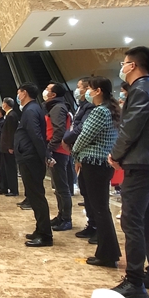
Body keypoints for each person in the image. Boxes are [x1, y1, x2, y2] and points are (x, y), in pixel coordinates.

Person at [108, 46, 149, 298]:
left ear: (132, 65)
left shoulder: (141, 90)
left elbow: (131, 127)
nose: (122, 67)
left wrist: (116, 154)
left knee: (132, 220)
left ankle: (134, 280)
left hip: (142, 162)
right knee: (147, 218)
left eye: (124, 63)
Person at [72, 76, 121, 268]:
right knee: (100, 208)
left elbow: (85, 136)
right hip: (100, 163)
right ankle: (108, 251)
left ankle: (107, 253)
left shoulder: (100, 111)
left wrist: (74, 153)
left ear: (98, 91)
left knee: (99, 209)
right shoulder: (110, 109)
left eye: (89, 89)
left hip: (94, 163)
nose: (86, 92)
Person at [15, 83, 52, 247]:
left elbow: (36, 135)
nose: (18, 95)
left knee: (36, 196)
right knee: (34, 195)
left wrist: (44, 155)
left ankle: (45, 235)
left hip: (31, 158)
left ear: (24, 93)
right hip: (29, 156)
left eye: (19, 92)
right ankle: (40, 229)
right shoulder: (32, 109)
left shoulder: (30, 110)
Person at [65, 77, 95, 237]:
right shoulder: (82, 106)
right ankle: (92, 224)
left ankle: (96, 228)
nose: (77, 90)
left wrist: (67, 139)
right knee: (86, 191)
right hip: (82, 154)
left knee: (94, 195)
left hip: (92, 156)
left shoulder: (93, 108)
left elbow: (83, 130)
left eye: (80, 87)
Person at [43, 82, 73, 231]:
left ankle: (66, 218)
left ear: (53, 94)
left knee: (62, 187)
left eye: (47, 89)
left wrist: (49, 149)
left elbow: (59, 131)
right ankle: (61, 215)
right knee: (58, 186)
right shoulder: (55, 107)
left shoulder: (57, 108)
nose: (45, 91)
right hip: (57, 150)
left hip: (58, 151)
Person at [0, 98, 21, 196]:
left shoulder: (11, 116)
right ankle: (4, 188)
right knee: (4, 168)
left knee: (10, 169)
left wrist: (11, 146)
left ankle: (14, 190)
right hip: (4, 148)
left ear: (6, 104)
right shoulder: (8, 115)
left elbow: (11, 132)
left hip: (8, 148)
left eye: (3, 103)